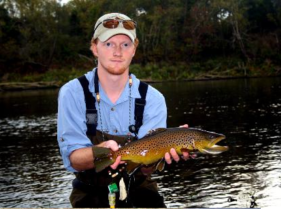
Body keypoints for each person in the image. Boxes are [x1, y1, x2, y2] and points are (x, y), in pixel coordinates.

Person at [57, 12, 189, 208]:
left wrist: (164, 152)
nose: (117, 51)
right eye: (108, 43)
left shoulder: (153, 98)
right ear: (94, 48)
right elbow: (75, 160)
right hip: (89, 193)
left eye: (125, 44)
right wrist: (100, 152)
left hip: (140, 189)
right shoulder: (72, 93)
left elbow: (146, 170)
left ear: (134, 49)